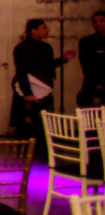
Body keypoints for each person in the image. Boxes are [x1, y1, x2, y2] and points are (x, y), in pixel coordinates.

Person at [10, 17, 75, 154]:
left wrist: (63, 59)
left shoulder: (46, 47)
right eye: (44, 28)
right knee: (27, 121)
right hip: (29, 89)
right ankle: (25, 152)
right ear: (33, 31)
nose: (47, 30)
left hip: (43, 88)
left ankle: (43, 150)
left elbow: (47, 65)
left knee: (44, 120)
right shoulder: (23, 48)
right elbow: (21, 71)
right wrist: (27, 93)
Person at [78, 10, 105, 108]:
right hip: (92, 83)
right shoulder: (86, 42)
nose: (98, 24)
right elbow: (86, 65)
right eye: (94, 22)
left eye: (101, 21)